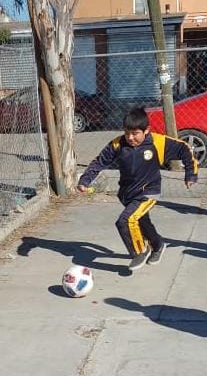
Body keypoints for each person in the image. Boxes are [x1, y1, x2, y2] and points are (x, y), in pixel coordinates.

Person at [77, 107, 198, 272]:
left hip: (149, 192)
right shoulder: (117, 144)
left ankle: (140, 251)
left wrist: (191, 174)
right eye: (127, 133)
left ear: (146, 130)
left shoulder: (157, 142)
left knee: (125, 221)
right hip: (127, 193)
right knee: (142, 222)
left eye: (135, 133)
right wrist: (85, 180)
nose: (130, 138)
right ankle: (157, 244)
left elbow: (184, 148)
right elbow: (99, 162)